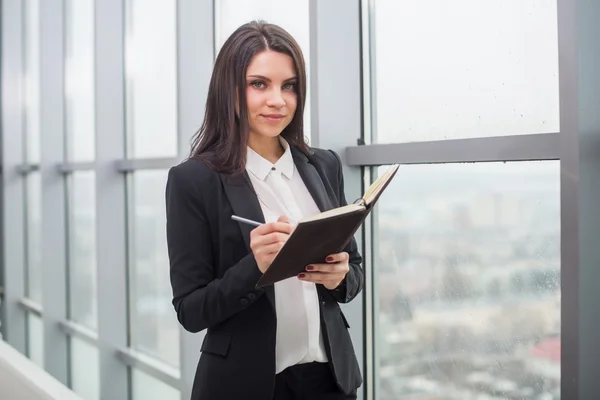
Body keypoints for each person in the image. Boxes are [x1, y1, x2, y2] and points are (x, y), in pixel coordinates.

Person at [165, 20, 364, 400]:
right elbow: (191, 310)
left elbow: (354, 270)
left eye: (289, 85)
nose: (278, 100)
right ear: (231, 91)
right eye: (260, 84)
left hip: (330, 382)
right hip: (247, 386)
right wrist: (255, 266)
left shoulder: (323, 165)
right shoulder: (194, 180)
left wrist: (340, 276)